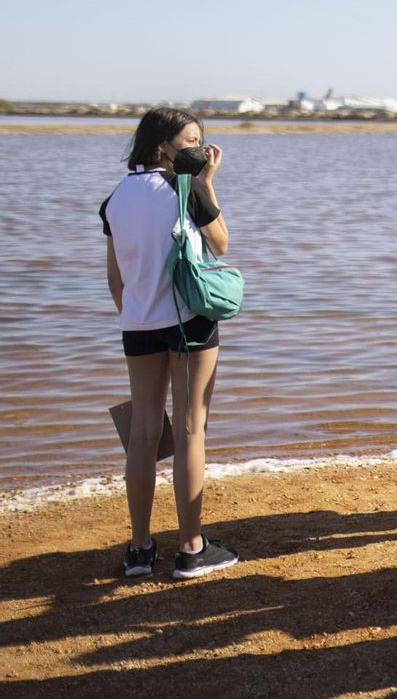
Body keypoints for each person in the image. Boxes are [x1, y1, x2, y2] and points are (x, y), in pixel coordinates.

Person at [102, 107, 238, 579]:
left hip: (137, 324)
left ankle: (139, 549)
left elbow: (115, 278)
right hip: (189, 322)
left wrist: (139, 314)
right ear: (162, 146)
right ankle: (191, 548)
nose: (199, 150)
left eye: (201, 140)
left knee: (141, 435)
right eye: (189, 141)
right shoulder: (186, 189)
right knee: (189, 430)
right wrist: (206, 181)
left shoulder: (116, 198)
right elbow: (220, 244)